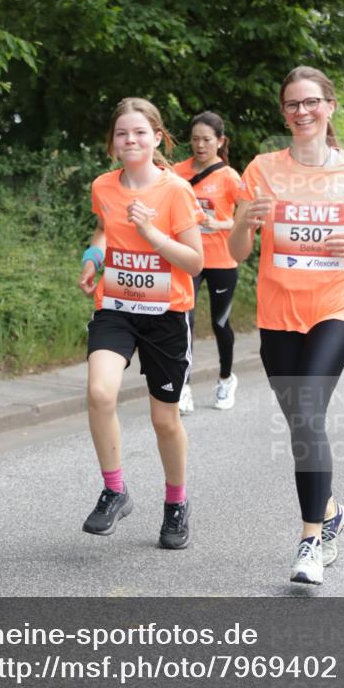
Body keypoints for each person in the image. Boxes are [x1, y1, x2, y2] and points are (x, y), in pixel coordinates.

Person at [229, 65, 344, 585]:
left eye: (311, 102)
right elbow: (238, 253)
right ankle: (332, 511)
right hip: (277, 311)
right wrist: (241, 223)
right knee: (303, 424)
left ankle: (310, 542)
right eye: (293, 104)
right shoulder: (261, 169)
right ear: (284, 112)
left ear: (330, 106)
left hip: (338, 304)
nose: (302, 112)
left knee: (307, 409)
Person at [78, 97, 204, 549]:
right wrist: (93, 258)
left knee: (164, 420)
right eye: (121, 134)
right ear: (112, 143)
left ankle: (176, 503)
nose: (130, 140)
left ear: (157, 137)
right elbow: (104, 229)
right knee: (98, 392)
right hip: (115, 306)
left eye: (138, 133)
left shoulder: (175, 191)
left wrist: (152, 233)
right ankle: (115, 490)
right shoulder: (103, 186)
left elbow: (194, 262)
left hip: (166, 315)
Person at [173, 112, 242, 413]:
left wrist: (222, 224)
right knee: (183, 321)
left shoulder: (229, 177)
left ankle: (226, 379)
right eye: (195, 139)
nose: (200, 145)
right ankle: (183, 386)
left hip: (222, 261)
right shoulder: (177, 172)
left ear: (220, 141)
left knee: (219, 322)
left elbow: (249, 218)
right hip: (188, 258)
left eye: (207, 140)